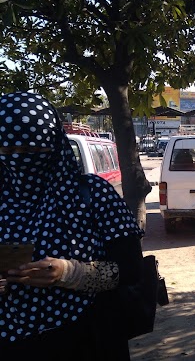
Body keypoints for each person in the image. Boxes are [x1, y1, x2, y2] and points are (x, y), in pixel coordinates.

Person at [0, 92, 144, 360]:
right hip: (12, 340)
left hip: (87, 336)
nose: (18, 159)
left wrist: (70, 272)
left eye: (31, 150)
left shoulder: (93, 194)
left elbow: (131, 269)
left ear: (53, 144)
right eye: (7, 151)